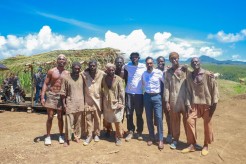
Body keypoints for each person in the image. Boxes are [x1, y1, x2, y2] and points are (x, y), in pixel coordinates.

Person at [182, 57, 219, 156]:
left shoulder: (208, 75)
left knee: (207, 125)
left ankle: (206, 145)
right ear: (191, 64)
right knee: (189, 120)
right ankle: (192, 144)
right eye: (193, 62)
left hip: (206, 104)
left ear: (200, 62)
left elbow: (214, 90)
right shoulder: (190, 76)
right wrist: (188, 104)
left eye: (196, 61)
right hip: (194, 104)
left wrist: (214, 105)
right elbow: (188, 91)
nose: (195, 63)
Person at [41, 54, 69, 145]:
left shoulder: (67, 73)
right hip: (52, 95)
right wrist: (42, 97)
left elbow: (69, 86)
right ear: (57, 61)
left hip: (61, 96)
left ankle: (61, 135)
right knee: (50, 116)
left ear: (65, 61)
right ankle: (48, 136)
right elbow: (45, 83)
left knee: (60, 117)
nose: (61, 60)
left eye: (63, 59)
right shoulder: (51, 71)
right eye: (60, 59)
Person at [164, 52, 187, 149]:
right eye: (172, 59)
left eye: (176, 58)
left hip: (185, 100)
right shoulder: (168, 73)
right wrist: (167, 101)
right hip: (173, 100)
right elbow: (166, 88)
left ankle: (191, 141)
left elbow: (195, 74)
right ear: (170, 60)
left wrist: (209, 74)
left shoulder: (185, 70)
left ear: (178, 58)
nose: (174, 60)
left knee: (188, 122)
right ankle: (175, 140)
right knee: (175, 121)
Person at [60, 62, 85, 147]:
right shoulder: (66, 78)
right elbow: (63, 92)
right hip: (70, 103)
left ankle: (77, 136)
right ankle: (67, 139)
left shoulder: (82, 77)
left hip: (80, 103)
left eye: (78, 69)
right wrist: (64, 104)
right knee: (69, 122)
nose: (77, 70)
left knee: (78, 122)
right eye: (75, 68)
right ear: (72, 68)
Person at [142, 57, 164, 149]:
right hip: (147, 96)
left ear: (153, 64)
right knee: (149, 117)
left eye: (151, 63)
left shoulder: (159, 73)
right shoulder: (144, 74)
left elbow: (165, 83)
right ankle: (151, 137)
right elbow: (143, 84)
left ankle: (160, 139)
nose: (149, 65)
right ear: (145, 64)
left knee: (159, 117)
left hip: (157, 97)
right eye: (147, 63)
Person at [124, 52, 146, 141]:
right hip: (128, 93)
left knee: (139, 114)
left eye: (136, 57)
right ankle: (130, 131)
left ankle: (139, 132)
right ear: (130, 58)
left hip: (139, 94)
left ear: (139, 58)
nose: (134, 59)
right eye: (132, 57)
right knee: (129, 114)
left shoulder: (143, 66)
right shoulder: (127, 65)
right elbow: (117, 67)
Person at [82, 60, 104, 146]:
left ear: (96, 66)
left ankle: (97, 134)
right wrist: (85, 70)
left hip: (98, 100)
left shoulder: (101, 74)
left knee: (97, 119)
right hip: (88, 100)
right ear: (88, 66)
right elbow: (79, 72)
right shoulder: (84, 74)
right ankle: (89, 135)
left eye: (94, 66)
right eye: (90, 66)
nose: (92, 67)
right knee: (88, 119)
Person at [102, 63, 125, 146]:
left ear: (114, 70)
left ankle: (118, 137)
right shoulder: (103, 78)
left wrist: (120, 103)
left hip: (116, 103)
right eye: (109, 70)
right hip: (106, 103)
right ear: (106, 70)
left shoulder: (118, 79)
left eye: (112, 70)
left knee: (117, 119)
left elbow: (121, 92)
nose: (111, 71)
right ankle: (108, 131)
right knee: (107, 118)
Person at [156, 56, 172, 144]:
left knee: (168, 115)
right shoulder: (154, 71)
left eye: (162, 61)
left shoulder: (168, 71)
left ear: (165, 62)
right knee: (158, 116)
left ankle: (170, 133)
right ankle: (159, 132)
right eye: (159, 61)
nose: (161, 63)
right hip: (157, 96)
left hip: (167, 97)